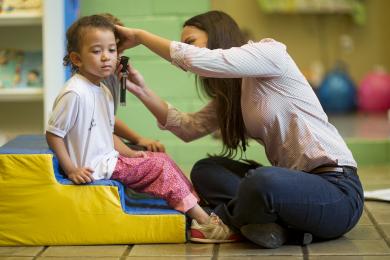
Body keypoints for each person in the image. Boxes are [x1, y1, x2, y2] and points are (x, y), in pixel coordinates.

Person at [114, 10, 364, 248]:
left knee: (262, 182)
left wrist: (140, 36)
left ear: (217, 35)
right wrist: (141, 90)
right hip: (292, 190)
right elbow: (188, 128)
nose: (187, 49)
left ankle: (221, 222)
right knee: (205, 170)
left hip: (336, 191)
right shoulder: (235, 92)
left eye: (191, 41)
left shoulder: (270, 52)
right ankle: (269, 226)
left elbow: (195, 59)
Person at [46, 14, 239, 244]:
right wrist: (71, 169)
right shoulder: (74, 93)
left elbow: (107, 132)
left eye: (112, 50)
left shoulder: (102, 91)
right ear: (76, 59)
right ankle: (204, 223)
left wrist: (132, 153)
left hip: (109, 160)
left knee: (161, 159)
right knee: (159, 167)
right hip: (96, 168)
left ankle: (199, 212)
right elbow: (53, 134)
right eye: (97, 51)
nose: (106, 57)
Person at [99, 13, 164, 153]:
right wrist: (138, 139)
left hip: (104, 138)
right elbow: (105, 118)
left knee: (157, 153)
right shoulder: (94, 78)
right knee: (154, 158)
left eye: (120, 51)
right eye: (112, 50)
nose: (119, 58)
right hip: (95, 144)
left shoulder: (114, 71)